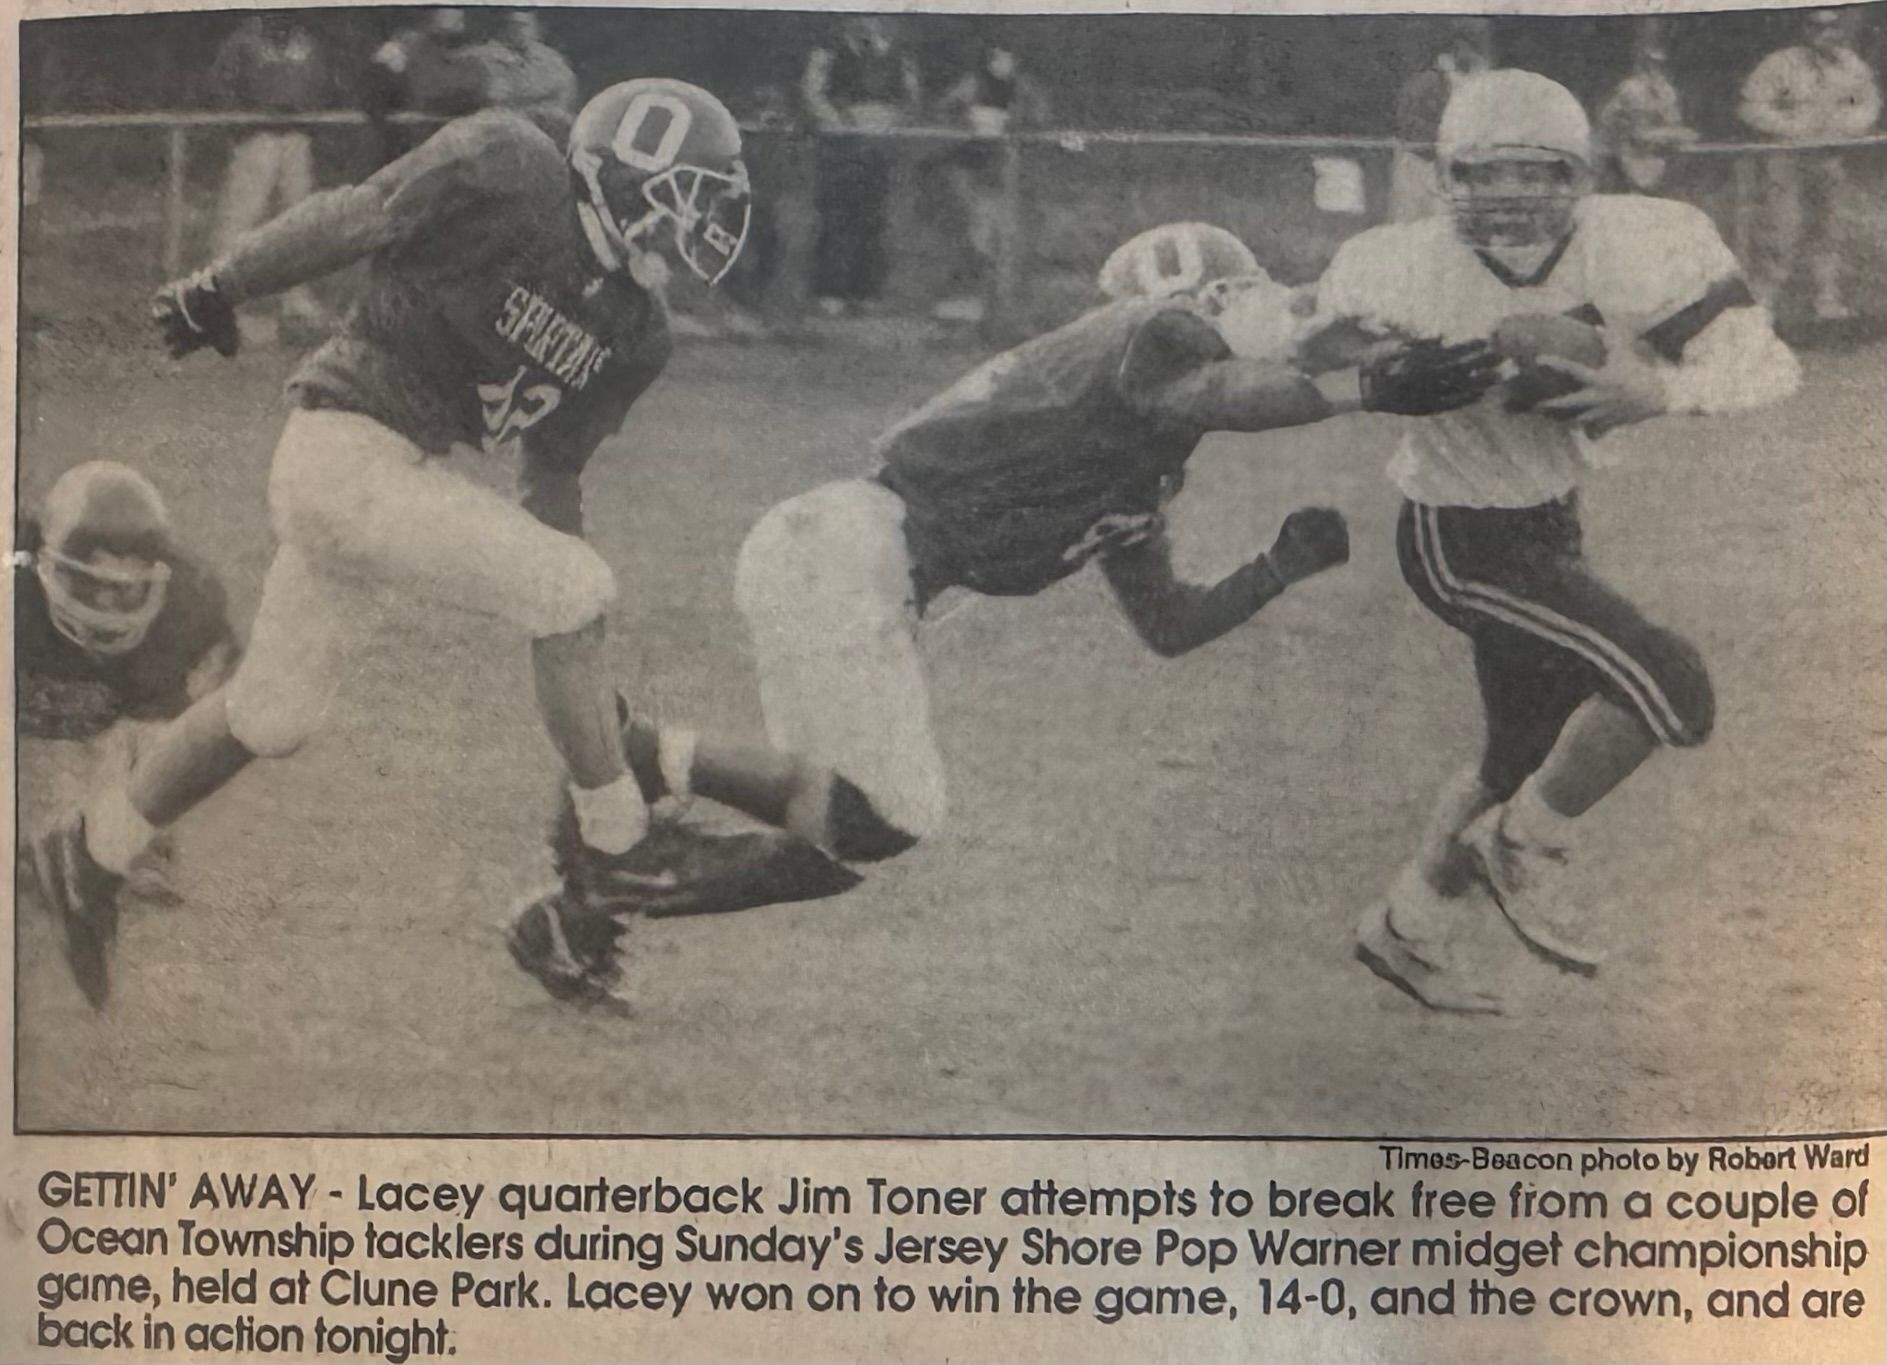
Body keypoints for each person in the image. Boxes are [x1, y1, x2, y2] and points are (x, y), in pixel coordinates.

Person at [567, 223, 1500, 970]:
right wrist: (1356, 386)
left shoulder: (1134, 451)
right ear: (1203, 299)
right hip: (852, 550)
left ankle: (592, 886)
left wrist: (1275, 569)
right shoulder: (1149, 336)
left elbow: (1167, 624)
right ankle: (625, 760)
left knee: (848, 825)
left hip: (840, 558)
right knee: (887, 814)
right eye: (1236, 298)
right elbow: (1198, 389)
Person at [23, 80, 757, 1013]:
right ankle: (619, 846)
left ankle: (88, 852)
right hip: (341, 450)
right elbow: (360, 215)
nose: (689, 234)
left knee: (272, 711)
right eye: (682, 201)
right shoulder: (512, 164)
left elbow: (552, 473)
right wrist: (224, 284)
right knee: (574, 589)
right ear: (627, 173)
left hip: (384, 472)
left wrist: (576, 646)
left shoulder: (635, 329)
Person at [1304, 70, 1800, 1013]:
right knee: (1671, 684)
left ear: (1578, 174)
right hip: (1456, 535)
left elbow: (1763, 359)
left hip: (1546, 519)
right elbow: (1299, 359)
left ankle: (1407, 924)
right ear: (1446, 176)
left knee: (1517, 753)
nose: (1509, 197)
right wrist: (1370, 372)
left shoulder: (1635, 241)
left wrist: (1657, 389)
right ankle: (1521, 844)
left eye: (1535, 173)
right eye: (1485, 176)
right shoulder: (1395, 263)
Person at [16, 463, 240, 1005]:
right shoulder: (15, 592)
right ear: (41, 562)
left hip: (122, 712)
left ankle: (127, 842)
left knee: (168, 733)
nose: (103, 609)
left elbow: (211, 711)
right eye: (85, 583)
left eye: (123, 591)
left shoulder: (188, 610)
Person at [1738, 7, 1882, 323]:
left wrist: (1847, 125)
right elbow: (1751, 106)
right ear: (1804, 29)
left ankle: (1826, 299)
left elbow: (1869, 103)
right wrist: (1791, 127)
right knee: (1780, 228)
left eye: (1832, 28)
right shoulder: (1780, 64)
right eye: (1816, 27)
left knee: (1829, 228)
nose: (1825, 34)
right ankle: (1764, 302)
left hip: (1830, 157)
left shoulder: (1850, 64)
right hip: (1786, 158)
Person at [208, 13, 333, 337]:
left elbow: (321, 85)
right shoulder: (243, 41)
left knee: (300, 218)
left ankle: (297, 300)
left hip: (296, 137)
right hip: (257, 137)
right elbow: (221, 86)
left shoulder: (305, 44)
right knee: (239, 219)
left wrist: (307, 113)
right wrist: (242, 122)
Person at [802, 16, 922, 316]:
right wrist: (842, 123)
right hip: (839, 145)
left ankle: (866, 291)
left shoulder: (897, 54)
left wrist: (890, 121)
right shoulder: (827, 52)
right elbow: (812, 94)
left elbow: (911, 98)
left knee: (872, 216)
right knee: (837, 216)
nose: (868, 24)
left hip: (879, 145)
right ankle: (830, 291)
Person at [928, 42, 1050, 325]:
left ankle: (1002, 304)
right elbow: (943, 111)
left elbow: (1041, 117)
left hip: (1008, 168)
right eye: (996, 59)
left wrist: (1013, 122)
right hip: (970, 163)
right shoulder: (971, 85)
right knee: (972, 231)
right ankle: (962, 303)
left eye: (1008, 59)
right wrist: (967, 121)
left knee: (1003, 236)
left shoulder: (1025, 89)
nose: (1002, 65)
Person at [1389, 17, 1494, 223]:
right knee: (1410, 223)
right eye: (1469, 44)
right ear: (1456, 46)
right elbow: (1409, 127)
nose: (1474, 51)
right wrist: (1443, 143)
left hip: (1461, 167)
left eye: (1479, 46)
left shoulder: (1484, 79)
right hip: (1420, 164)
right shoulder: (1427, 82)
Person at [1595, 18, 1698, 194]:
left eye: (1658, 65)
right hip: (1627, 151)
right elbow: (1608, 122)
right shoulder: (1628, 88)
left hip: (1656, 154)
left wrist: (1665, 132)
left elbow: (1674, 123)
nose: (1654, 70)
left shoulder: (1666, 91)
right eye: (1649, 64)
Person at [471, 10, 579, 138]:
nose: (519, 31)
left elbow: (565, 87)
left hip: (550, 125)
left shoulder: (550, 56)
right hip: (503, 128)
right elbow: (496, 97)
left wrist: (551, 111)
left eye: (525, 26)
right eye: (513, 25)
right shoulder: (483, 56)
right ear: (502, 27)